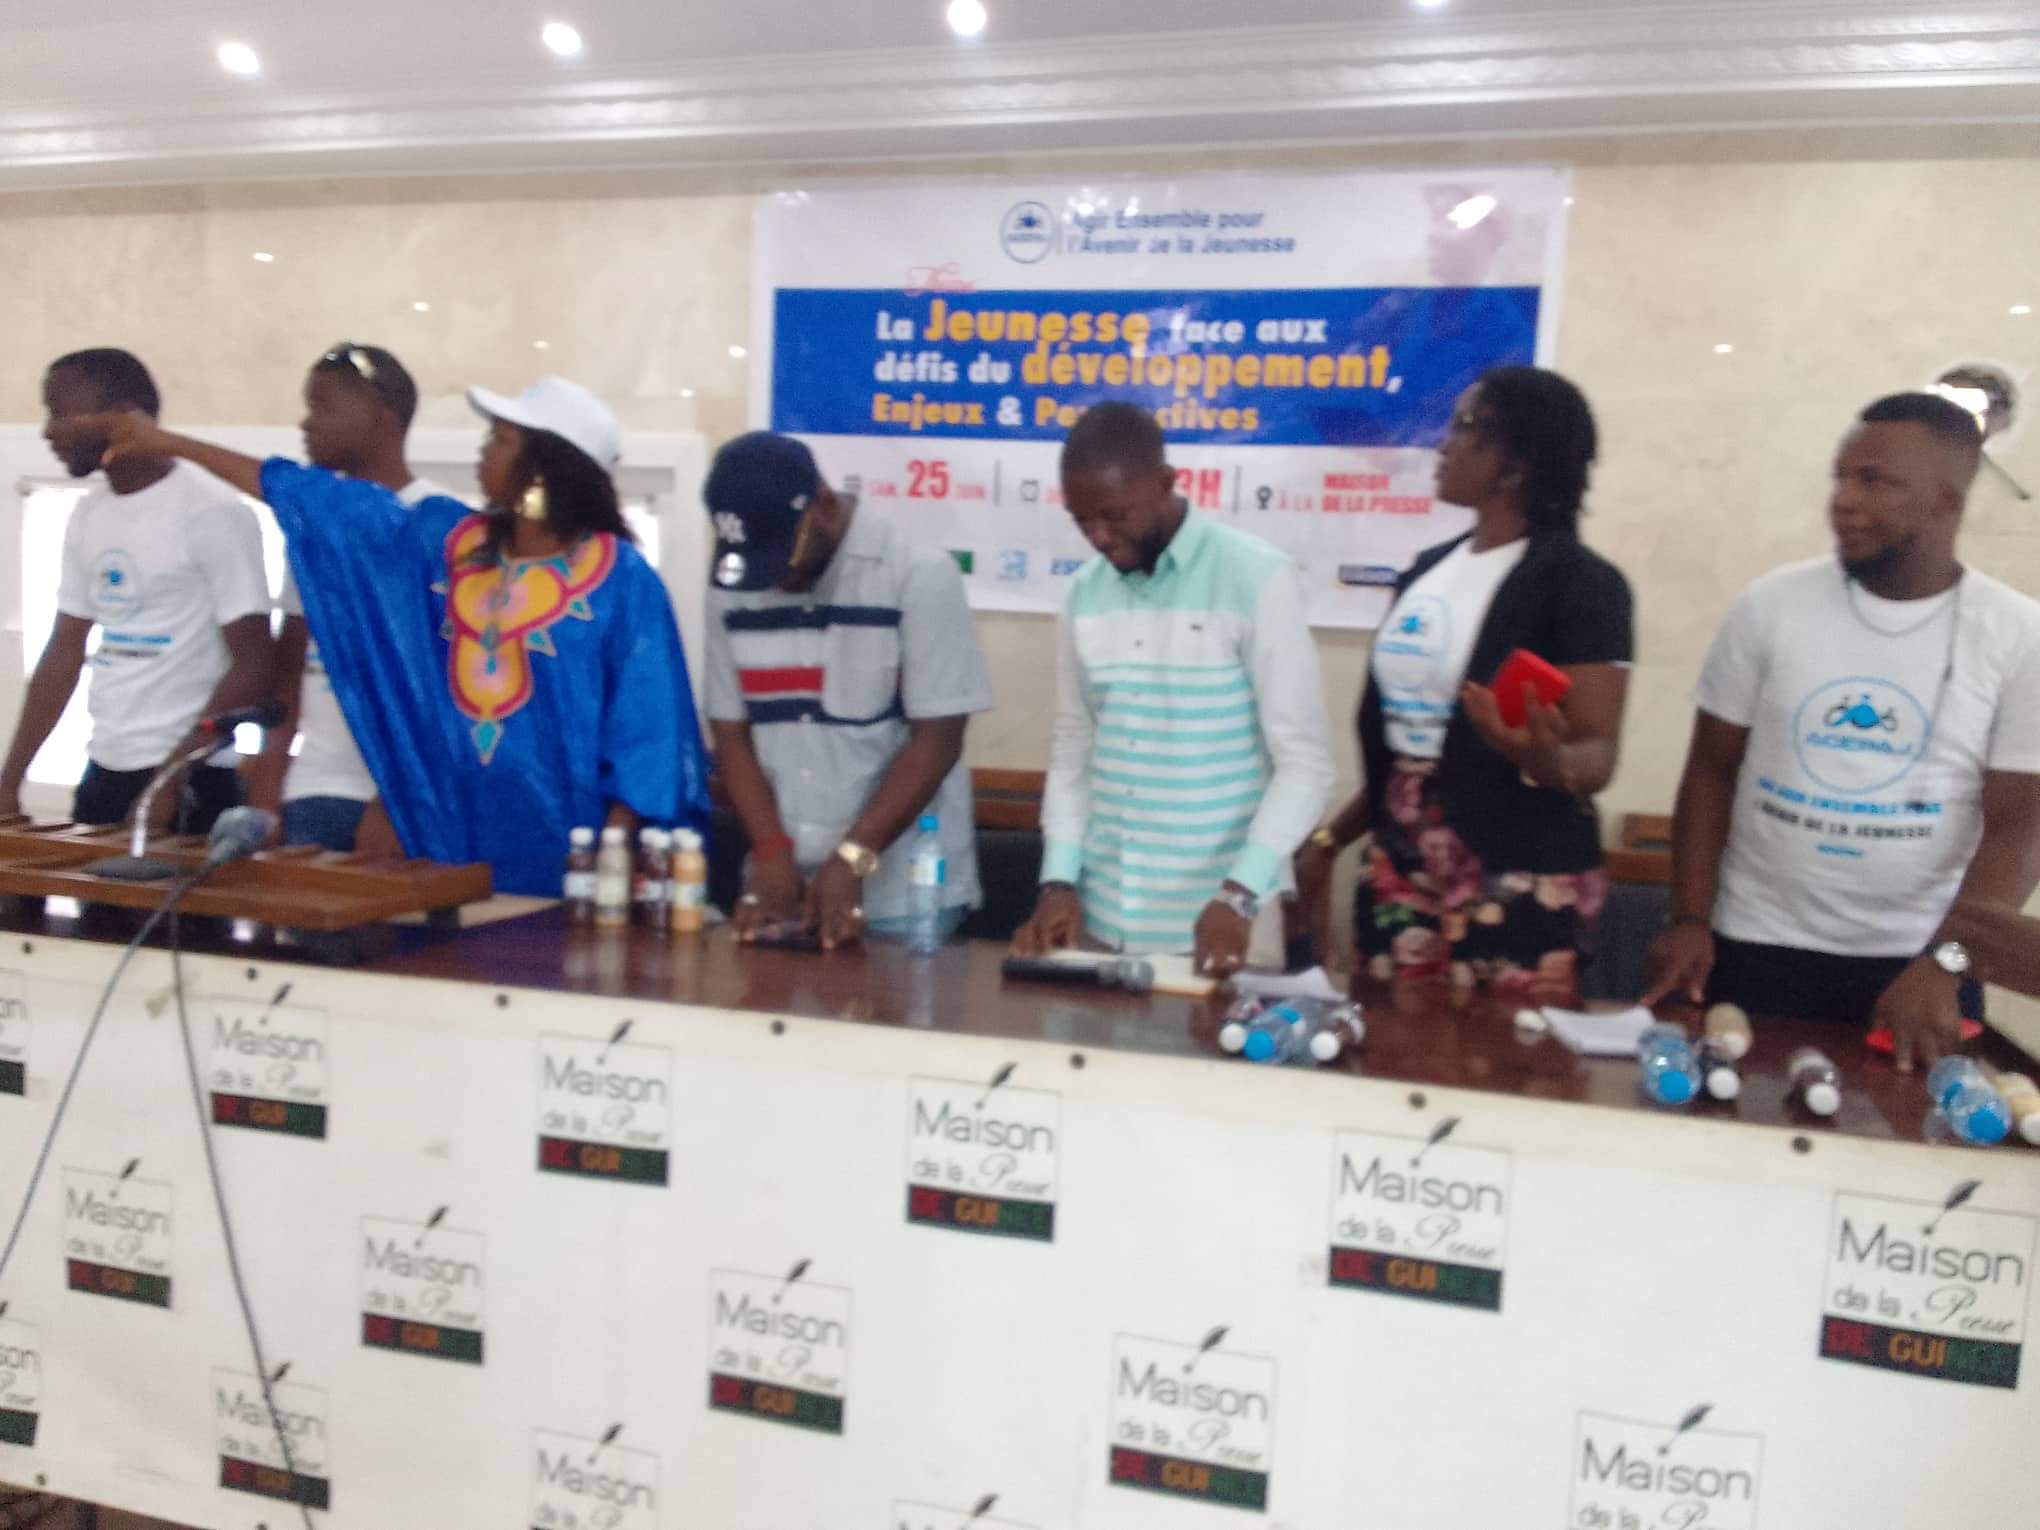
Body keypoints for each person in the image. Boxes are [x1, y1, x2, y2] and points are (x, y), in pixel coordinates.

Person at [83, 376, 710, 896]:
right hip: (440, 841)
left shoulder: (622, 582)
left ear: (547, 466)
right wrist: (175, 445)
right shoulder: (445, 545)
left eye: (500, 440)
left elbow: (649, 735)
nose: (483, 452)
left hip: (564, 856)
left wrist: (612, 855)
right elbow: (312, 499)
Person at [1644, 393, 2040, 1071]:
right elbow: (1711, 769)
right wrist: (1689, 918)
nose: (1844, 501)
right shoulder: (1771, 606)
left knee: (1913, 1132)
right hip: (1753, 947)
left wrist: (1947, 963)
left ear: (1946, 503)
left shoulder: (2018, 636)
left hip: (1920, 964)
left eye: (1875, 481)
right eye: (1842, 477)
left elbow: (2019, 827)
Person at [1298, 367, 1633, 999]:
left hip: (1520, 867)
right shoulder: (1426, 573)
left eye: (1466, 428)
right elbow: (1411, 753)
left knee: (1505, 1050)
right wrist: (1330, 840)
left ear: (1518, 463)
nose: (1443, 444)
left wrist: (1543, 759)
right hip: (1400, 860)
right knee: (1390, 1038)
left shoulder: (1583, 584)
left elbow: (1597, 754)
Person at [1009, 402, 1334, 974]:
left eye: (1114, 516)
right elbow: (1073, 752)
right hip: (1103, 919)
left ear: (1165, 484)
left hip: (1225, 923)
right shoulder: (1083, 595)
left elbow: (1306, 766)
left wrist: (1239, 893)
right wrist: (1059, 881)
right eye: (1081, 521)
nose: (1098, 537)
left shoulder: (1255, 576)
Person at [702, 433, 994, 948]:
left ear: (823, 505)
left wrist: (854, 857)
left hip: (905, 899)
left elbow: (939, 740)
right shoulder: (732, 588)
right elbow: (730, 734)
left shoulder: (919, 574)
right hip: (780, 889)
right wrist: (770, 847)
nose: (774, 579)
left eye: (783, 558)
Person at [1, 349, 271, 835]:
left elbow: (254, 664)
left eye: (62, 414)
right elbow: (64, 650)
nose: (48, 432)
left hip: (191, 777)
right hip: (106, 766)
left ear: (127, 416)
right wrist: (10, 778)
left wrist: (171, 778)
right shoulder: (89, 513)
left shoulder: (212, 513)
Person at [245, 344, 451, 853]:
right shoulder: (313, 532)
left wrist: (390, 805)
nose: (306, 423)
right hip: (312, 791)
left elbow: (452, 693)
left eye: (323, 408)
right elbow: (288, 671)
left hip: (404, 801)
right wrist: (267, 790)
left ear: (382, 418)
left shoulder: (440, 527)